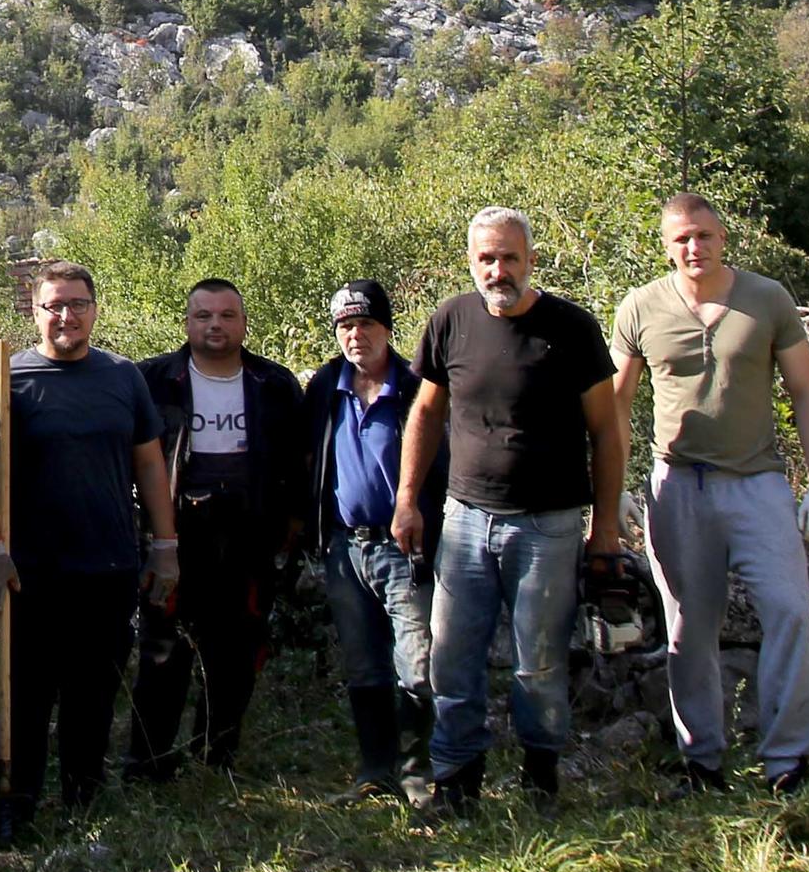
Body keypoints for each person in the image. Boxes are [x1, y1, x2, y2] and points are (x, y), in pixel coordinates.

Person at [394, 209, 626, 818]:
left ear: (530, 259)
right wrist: (407, 497)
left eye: (510, 258)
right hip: (465, 518)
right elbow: (425, 414)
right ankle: (457, 784)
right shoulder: (451, 320)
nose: (499, 270)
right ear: (471, 262)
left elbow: (606, 432)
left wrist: (604, 529)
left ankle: (540, 780)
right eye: (486, 259)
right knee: (451, 658)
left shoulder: (571, 328)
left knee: (540, 664)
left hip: (548, 525)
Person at [611, 191, 809, 795]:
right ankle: (702, 762)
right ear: (665, 245)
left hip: (757, 482)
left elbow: (805, 392)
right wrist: (607, 490)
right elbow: (615, 403)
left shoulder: (766, 299)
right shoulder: (640, 308)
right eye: (682, 238)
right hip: (677, 484)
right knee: (688, 625)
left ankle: (787, 760)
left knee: (788, 610)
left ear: (722, 238)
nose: (694, 247)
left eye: (704, 235)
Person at [0, 260, 176, 827]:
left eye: (77, 304)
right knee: (26, 696)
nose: (66, 316)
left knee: (93, 692)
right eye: (53, 305)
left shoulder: (123, 377)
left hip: (108, 564)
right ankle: (17, 804)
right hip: (29, 570)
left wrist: (165, 544)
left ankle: (84, 800)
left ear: (94, 309)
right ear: (34, 312)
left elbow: (150, 464)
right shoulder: (9, 380)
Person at [132, 277, 311, 781]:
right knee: (163, 651)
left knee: (235, 652)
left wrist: (288, 533)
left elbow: (299, 466)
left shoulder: (273, 385)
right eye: (204, 315)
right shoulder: (154, 381)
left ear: (243, 323)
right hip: (174, 533)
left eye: (226, 315)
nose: (215, 325)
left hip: (248, 536)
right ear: (187, 322)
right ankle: (149, 762)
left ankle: (217, 758)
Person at [303, 280, 437, 799]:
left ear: (386, 328)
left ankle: (417, 772)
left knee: (417, 663)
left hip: (405, 548)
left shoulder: (414, 386)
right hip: (344, 548)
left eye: (366, 324)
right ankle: (375, 769)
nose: (355, 335)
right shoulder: (324, 387)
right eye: (345, 326)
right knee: (363, 664)